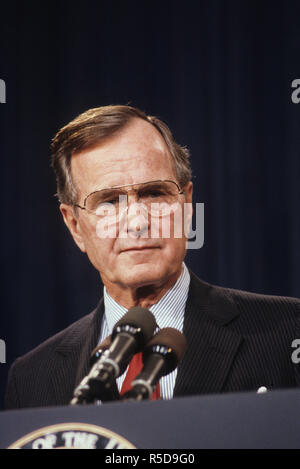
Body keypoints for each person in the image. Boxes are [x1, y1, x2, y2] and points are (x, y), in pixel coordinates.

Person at [5, 105, 300, 409]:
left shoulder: (289, 334)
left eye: (154, 193)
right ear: (75, 226)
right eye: (108, 202)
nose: (137, 222)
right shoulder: (31, 380)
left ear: (186, 205)